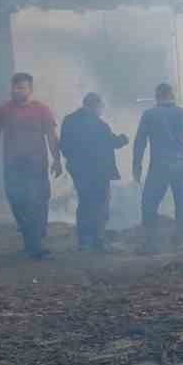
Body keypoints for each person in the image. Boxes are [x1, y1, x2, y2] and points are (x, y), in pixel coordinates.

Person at [0, 73, 62, 259]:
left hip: (36, 165)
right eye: (14, 87)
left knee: (37, 202)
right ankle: (32, 240)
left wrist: (57, 160)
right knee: (17, 201)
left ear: (30, 89)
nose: (16, 90)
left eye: (21, 87)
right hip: (13, 165)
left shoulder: (42, 110)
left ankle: (34, 245)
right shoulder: (3, 110)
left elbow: (51, 137)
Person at [132, 81, 183, 251]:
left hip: (159, 167)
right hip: (181, 166)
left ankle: (150, 244)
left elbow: (139, 142)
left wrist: (136, 165)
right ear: (172, 96)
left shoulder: (149, 115)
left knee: (149, 203)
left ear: (157, 97)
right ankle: (179, 242)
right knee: (182, 204)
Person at [60, 93, 129, 253]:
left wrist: (73, 161)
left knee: (84, 203)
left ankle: (84, 242)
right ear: (96, 106)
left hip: (78, 171)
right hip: (99, 172)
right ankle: (98, 240)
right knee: (100, 205)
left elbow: (63, 145)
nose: (102, 110)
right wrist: (124, 139)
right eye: (101, 107)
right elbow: (113, 142)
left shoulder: (69, 120)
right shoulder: (99, 124)